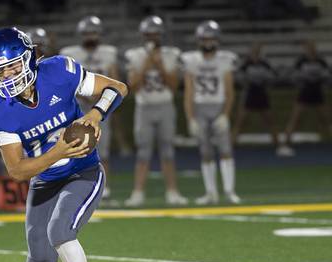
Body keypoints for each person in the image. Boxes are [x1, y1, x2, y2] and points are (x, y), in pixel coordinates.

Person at [0, 27, 128, 262]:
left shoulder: (59, 71)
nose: (7, 76)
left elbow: (117, 88)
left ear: (29, 58)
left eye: (12, 66)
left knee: (60, 231)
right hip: (44, 180)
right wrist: (58, 150)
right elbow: (18, 171)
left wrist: (96, 114)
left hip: (82, 171)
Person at [124, 16, 188, 206]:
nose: (152, 37)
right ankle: (137, 193)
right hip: (144, 107)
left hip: (165, 105)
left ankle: (172, 192)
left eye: (155, 34)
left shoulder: (171, 54)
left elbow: (174, 85)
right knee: (143, 152)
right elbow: (133, 86)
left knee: (168, 151)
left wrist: (159, 65)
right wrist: (146, 64)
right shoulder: (135, 55)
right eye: (149, 34)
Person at [60, 16, 119, 199]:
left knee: (103, 148)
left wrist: (100, 100)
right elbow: (65, 82)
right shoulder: (70, 54)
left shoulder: (109, 53)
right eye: (87, 33)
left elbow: (115, 81)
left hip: (101, 108)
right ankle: (74, 186)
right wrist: (82, 95)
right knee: (73, 148)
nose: (90, 36)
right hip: (76, 108)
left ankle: (104, 187)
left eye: (93, 32)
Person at [182, 21, 240, 205]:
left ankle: (230, 191)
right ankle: (211, 192)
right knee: (205, 152)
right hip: (200, 107)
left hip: (218, 106)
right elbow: (189, 93)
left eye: (211, 38)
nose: (208, 42)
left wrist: (225, 114)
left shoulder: (224, 60)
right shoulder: (192, 61)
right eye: (205, 39)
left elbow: (230, 91)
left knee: (225, 150)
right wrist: (190, 118)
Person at [232, 43, 292, 156]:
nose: (255, 53)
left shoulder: (264, 64)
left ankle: (278, 145)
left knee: (270, 121)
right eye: (254, 51)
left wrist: (264, 81)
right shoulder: (246, 65)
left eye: (257, 51)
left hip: (262, 94)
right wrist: (246, 82)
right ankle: (231, 145)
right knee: (241, 121)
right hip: (250, 94)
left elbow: (273, 77)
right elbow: (238, 77)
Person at [284, 40, 332, 148]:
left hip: (318, 92)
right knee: (295, 118)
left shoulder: (321, 61)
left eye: (312, 47)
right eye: (308, 48)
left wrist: (323, 84)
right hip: (304, 92)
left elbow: (328, 76)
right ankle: (286, 143)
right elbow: (293, 76)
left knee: (326, 119)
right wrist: (299, 84)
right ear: (305, 49)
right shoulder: (301, 61)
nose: (311, 49)